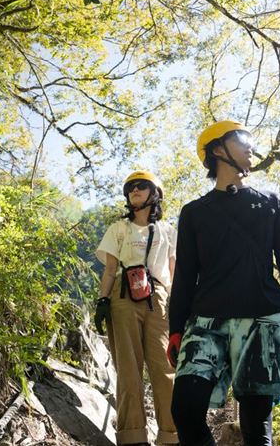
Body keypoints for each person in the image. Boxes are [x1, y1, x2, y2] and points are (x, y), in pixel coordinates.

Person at [167, 120, 280, 446]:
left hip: (264, 320)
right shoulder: (194, 213)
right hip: (206, 322)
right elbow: (185, 276)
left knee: (255, 426)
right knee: (185, 410)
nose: (251, 145)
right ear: (218, 149)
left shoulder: (271, 204)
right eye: (242, 138)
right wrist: (176, 328)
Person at [94, 170, 178, 446]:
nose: (134, 191)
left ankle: (171, 435)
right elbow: (109, 270)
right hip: (122, 296)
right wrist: (102, 301)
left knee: (164, 368)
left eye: (141, 186)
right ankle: (132, 436)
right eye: (130, 188)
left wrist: (180, 310)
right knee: (128, 369)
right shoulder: (119, 228)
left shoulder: (168, 231)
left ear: (155, 193)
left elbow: (174, 272)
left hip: (159, 299)